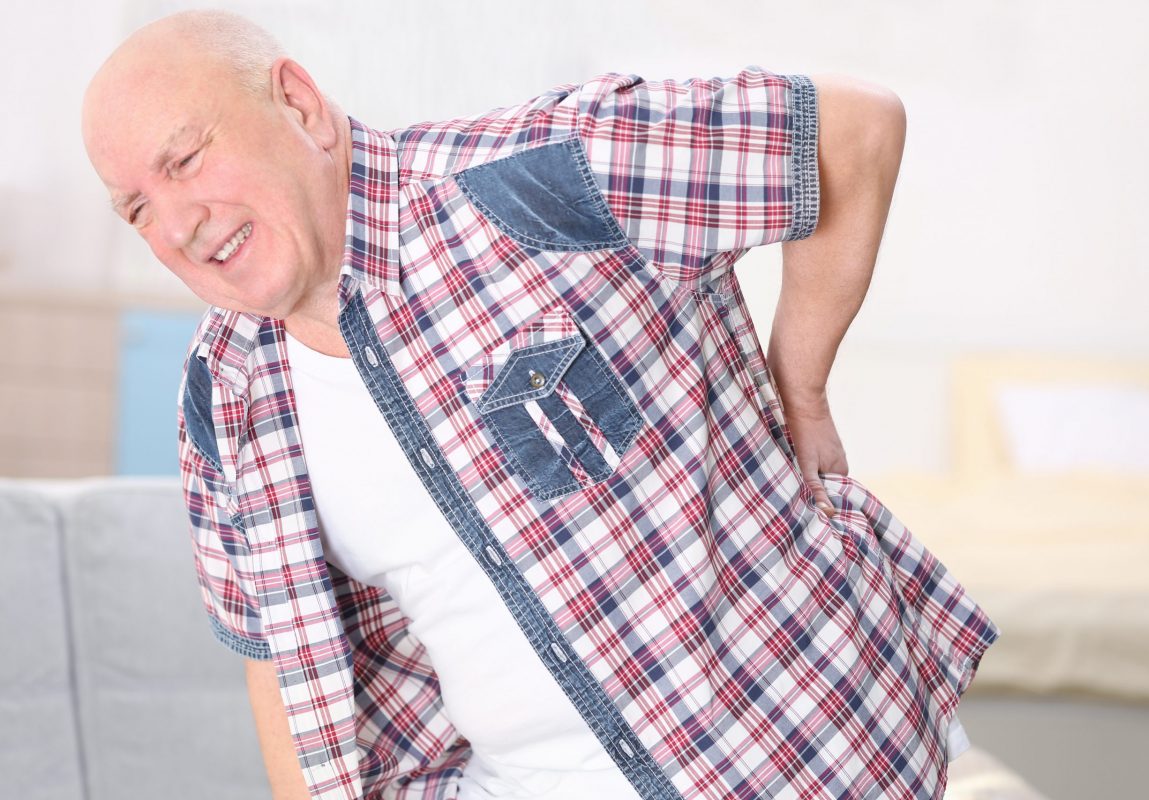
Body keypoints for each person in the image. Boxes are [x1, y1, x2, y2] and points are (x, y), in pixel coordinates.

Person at [81, 9, 999, 800]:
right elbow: (279, 663)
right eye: (136, 209)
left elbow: (851, 129)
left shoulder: (535, 179)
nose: (177, 224)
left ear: (298, 103)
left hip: (776, 754)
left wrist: (798, 388)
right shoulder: (225, 395)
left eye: (187, 159)